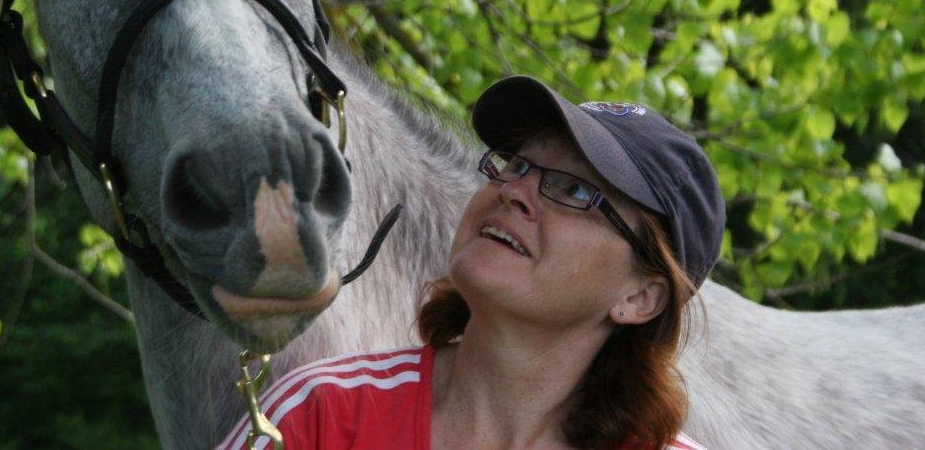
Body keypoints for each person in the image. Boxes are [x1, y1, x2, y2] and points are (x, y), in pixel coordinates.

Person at [218, 75, 726, 449]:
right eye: (518, 165)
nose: (516, 190)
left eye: (575, 189)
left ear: (639, 298)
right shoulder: (321, 417)